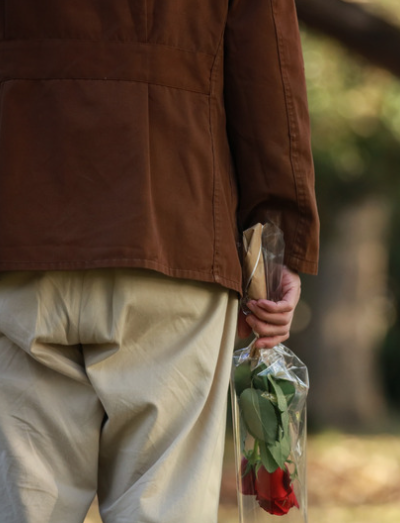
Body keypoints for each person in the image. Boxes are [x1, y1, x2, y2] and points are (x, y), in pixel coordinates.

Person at [0, 1, 318, 522]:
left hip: (20, 233)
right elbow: (269, 72)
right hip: (175, 226)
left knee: (22, 504)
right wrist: (278, 240)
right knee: (163, 506)